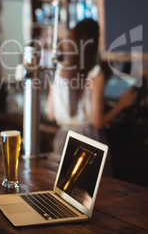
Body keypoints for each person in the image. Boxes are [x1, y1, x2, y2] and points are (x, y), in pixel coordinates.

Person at [47, 19, 137, 166]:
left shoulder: (57, 72)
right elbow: (98, 122)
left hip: (63, 140)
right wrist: (121, 104)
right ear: (95, 42)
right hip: (89, 143)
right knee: (97, 189)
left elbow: (51, 114)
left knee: (64, 187)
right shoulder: (95, 75)